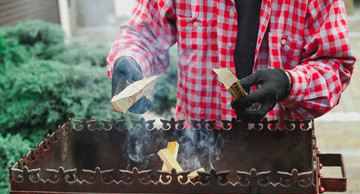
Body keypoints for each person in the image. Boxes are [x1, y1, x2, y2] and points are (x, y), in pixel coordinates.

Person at [107, 0, 355, 127]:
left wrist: (288, 84)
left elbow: (335, 64)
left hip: (279, 155)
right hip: (196, 149)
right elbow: (144, 34)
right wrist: (129, 60)